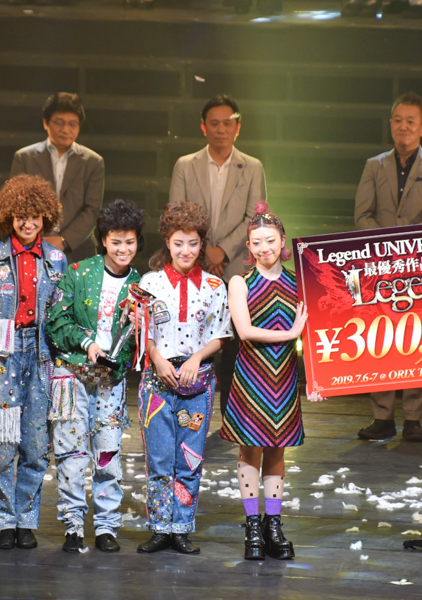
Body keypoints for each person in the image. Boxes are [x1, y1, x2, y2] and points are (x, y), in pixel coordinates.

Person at [218, 202, 321, 561]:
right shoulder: (240, 282)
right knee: (251, 450)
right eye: (257, 242)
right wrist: (291, 333)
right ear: (249, 246)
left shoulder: (298, 282)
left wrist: (319, 380)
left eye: (271, 240)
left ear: (283, 241)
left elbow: (318, 331)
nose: (264, 248)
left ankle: (273, 525)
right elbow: (245, 331)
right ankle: (252, 526)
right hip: (252, 376)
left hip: (285, 376)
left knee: (277, 450)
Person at [0, 174, 67, 551]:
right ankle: (5, 521)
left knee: (35, 443)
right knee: (0, 443)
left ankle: (26, 521)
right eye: (21, 216)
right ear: (7, 216)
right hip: (0, 354)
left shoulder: (56, 260)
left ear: (46, 217)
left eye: (35, 216)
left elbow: (60, 314)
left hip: (41, 352)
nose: (28, 223)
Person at [46, 199, 146, 554]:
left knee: (108, 453)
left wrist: (138, 328)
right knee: (71, 454)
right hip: (72, 373)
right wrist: (87, 343)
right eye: (116, 241)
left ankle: (106, 527)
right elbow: (57, 321)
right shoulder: (78, 272)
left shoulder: (141, 285)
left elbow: (142, 344)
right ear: (103, 240)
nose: (123, 249)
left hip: (111, 379)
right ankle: (73, 525)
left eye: (130, 242)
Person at [353, 91, 422, 443]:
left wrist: (404, 249)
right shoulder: (374, 165)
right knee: (380, 338)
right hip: (378, 268)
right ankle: (382, 416)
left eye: (411, 121)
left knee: (416, 339)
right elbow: (362, 215)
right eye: (397, 120)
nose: (403, 127)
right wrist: (384, 246)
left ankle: (413, 417)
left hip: (419, 268)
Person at [136, 201, 232, 555]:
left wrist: (196, 358)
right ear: (167, 241)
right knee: (159, 461)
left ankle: (181, 528)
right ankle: (160, 528)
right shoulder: (150, 283)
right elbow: (142, 331)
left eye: (193, 243)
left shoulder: (214, 285)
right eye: (178, 243)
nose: (186, 250)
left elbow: (222, 334)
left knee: (189, 460)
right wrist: (156, 358)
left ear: (202, 243)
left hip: (197, 381)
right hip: (157, 381)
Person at [169, 94, 266, 414]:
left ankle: (233, 418)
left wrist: (221, 251)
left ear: (238, 127)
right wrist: (204, 253)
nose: (221, 129)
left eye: (227, 123)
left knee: (236, 346)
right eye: (214, 123)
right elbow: (177, 215)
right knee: (195, 342)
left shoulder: (253, 166)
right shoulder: (185, 165)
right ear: (203, 127)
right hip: (193, 266)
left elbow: (255, 217)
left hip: (236, 268)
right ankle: (191, 416)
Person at [10, 92, 104, 264]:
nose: (66, 129)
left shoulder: (93, 162)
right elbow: (17, 205)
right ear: (45, 122)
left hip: (79, 250)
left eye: (72, 124)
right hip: (33, 247)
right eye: (59, 122)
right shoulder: (24, 158)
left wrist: (63, 240)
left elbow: (92, 210)